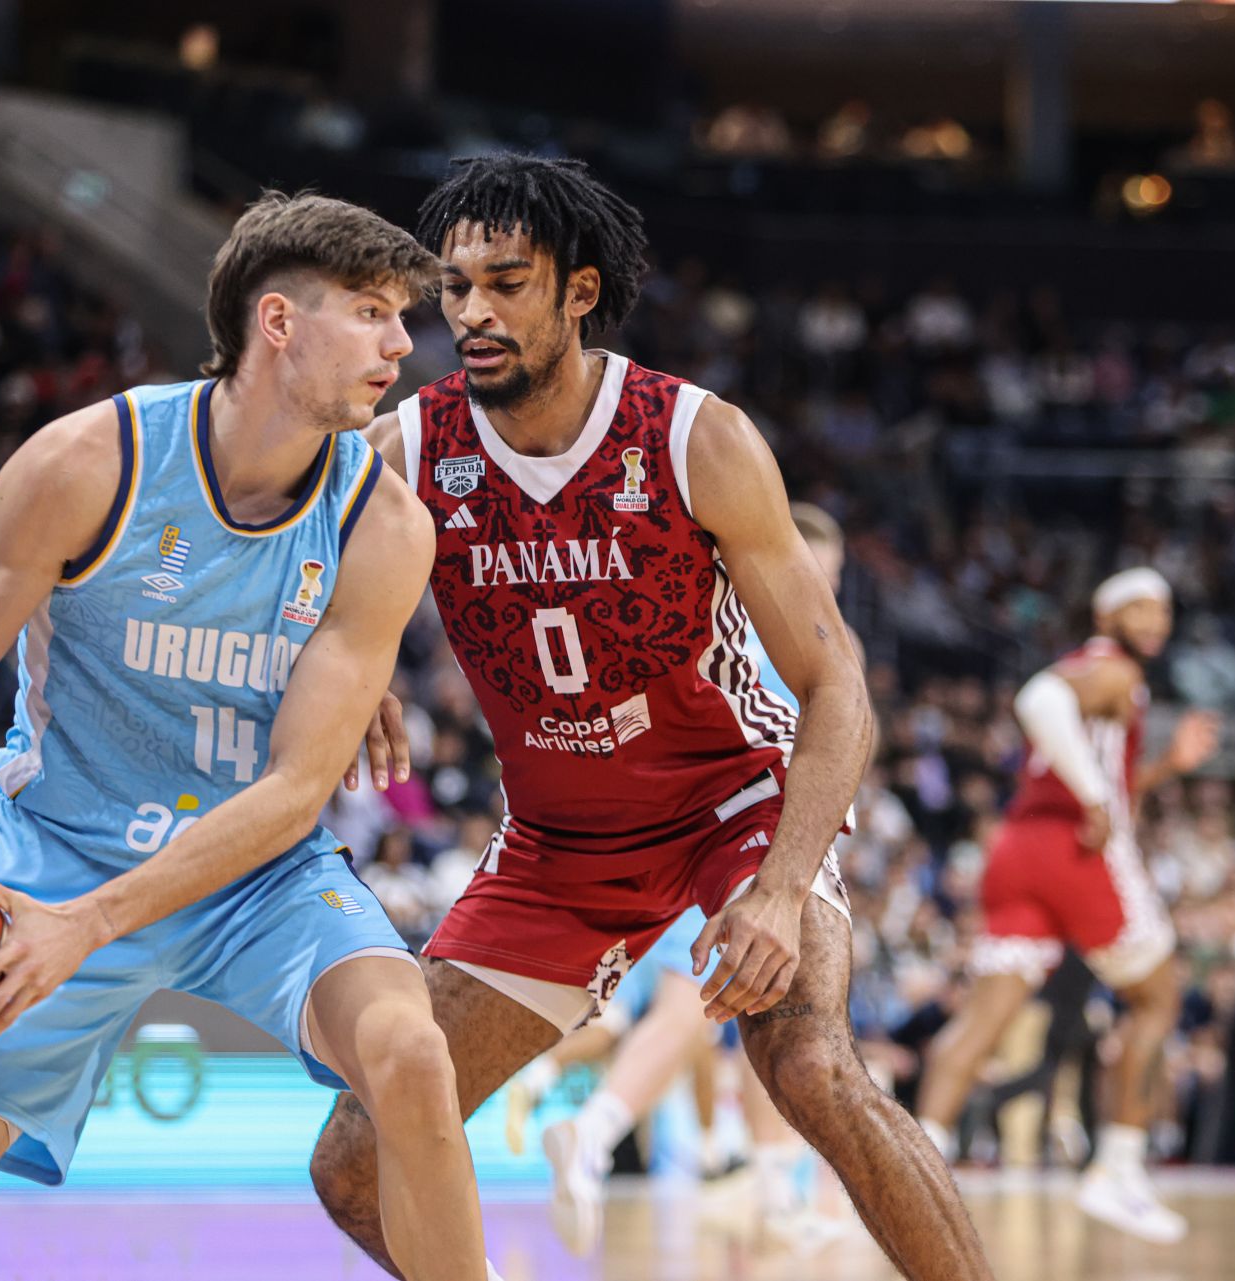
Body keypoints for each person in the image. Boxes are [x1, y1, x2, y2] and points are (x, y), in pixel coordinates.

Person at [0, 192, 494, 1281]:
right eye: (371, 310)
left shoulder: (384, 525)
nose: (404, 342)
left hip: (258, 869)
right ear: (278, 322)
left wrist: (94, 925)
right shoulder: (85, 464)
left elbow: (300, 793)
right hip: (59, 856)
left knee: (410, 1051)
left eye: (403, 316)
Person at [311, 155, 993, 1281]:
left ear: (580, 291)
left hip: (734, 798)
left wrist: (780, 887)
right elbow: (296, 582)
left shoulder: (694, 437)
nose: (471, 313)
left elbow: (839, 692)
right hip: (560, 843)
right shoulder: (402, 453)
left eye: (506, 284)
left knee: (808, 1064)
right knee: (349, 1161)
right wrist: (349, 649)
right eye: (455, 287)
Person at [507, 501, 851, 1254]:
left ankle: (766, 1186)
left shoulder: (757, 623)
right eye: (818, 569)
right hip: (732, 830)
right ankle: (595, 1133)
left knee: (756, 1010)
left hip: (713, 827)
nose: (821, 585)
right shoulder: (760, 622)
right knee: (699, 1008)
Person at [912, 568, 1220, 1244]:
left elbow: (1102, 772)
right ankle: (1118, 1168)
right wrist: (1094, 798)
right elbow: (1039, 700)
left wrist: (1165, 767)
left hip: (1020, 846)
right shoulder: (1112, 672)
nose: (1156, 622)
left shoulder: (1106, 679)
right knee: (1158, 998)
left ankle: (914, 1172)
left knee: (983, 1017)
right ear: (1106, 615)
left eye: (1163, 611)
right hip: (1073, 852)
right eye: (1140, 608)